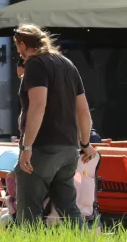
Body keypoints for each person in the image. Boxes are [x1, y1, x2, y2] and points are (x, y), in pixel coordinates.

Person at [14, 23, 96, 224]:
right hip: (68, 149)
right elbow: (83, 111)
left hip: (43, 147)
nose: (18, 51)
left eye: (17, 46)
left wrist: (27, 147)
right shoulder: (67, 64)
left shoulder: (35, 64)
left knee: (29, 210)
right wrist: (85, 144)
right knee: (69, 208)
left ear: (22, 44)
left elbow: (38, 106)